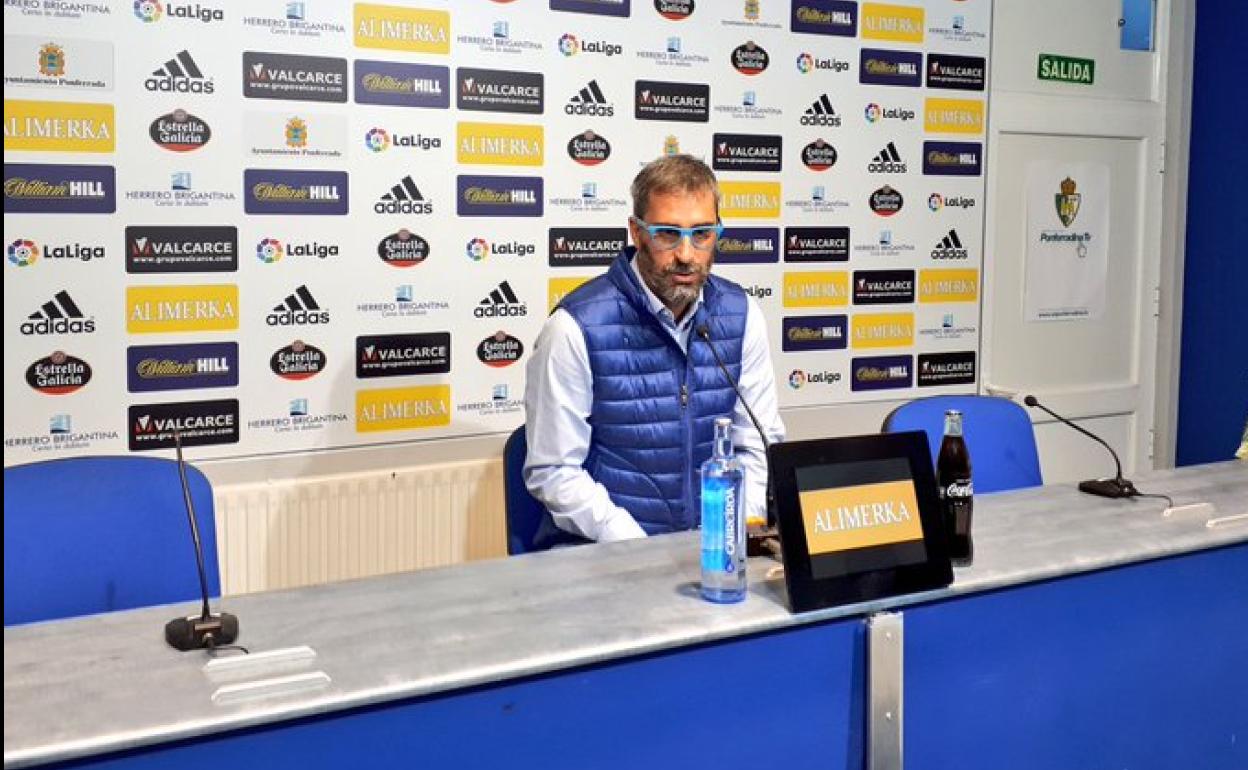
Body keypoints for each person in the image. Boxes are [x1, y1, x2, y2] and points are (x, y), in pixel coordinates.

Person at [523, 154, 785, 546]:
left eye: (702, 234)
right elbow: (555, 470)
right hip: (609, 555)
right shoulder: (575, 326)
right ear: (636, 232)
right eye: (667, 233)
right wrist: (639, 548)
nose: (686, 254)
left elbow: (758, 445)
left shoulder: (741, 314)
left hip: (718, 550)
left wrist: (734, 534)